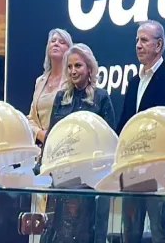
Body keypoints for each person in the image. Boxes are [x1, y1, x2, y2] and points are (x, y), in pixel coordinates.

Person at [40, 43, 115, 243]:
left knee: (86, 233)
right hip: (62, 179)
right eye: (70, 67)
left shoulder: (101, 98)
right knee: (57, 232)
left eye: (78, 66)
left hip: (91, 182)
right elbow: (52, 135)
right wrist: (42, 167)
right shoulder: (61, 98)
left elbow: (109, 140)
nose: (73, 71)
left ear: (89, 68)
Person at [119, 20, 165, 243]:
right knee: (130, 233)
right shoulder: (133, 82)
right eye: (137, 40)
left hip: (158, 169)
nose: (138, 45)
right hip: (131, 170)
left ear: (158, 45)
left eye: (144, 40)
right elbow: (124, 124)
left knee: (160, 232)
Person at [27, 28, 73, 144]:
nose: (56, 44)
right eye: (53, 41)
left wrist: (52, 136)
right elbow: (31, 119)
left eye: (62, 42)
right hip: (41, 146)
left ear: (69, 50)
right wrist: (40, 134)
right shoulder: (40, 81)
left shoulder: (72, 80)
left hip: (63, 142)